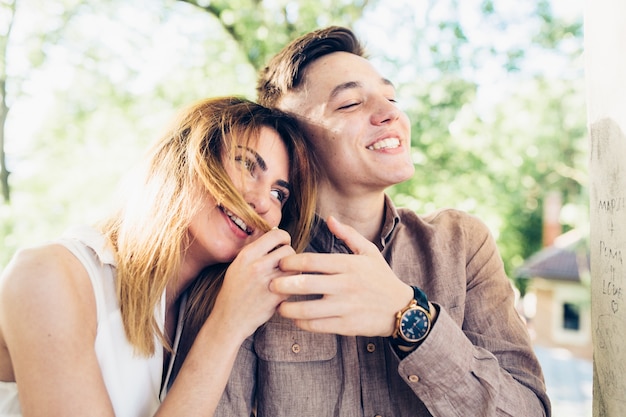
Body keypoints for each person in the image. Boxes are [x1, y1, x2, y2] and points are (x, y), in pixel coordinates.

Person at [173, 26, 552, 416]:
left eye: (391, 97)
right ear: (296, 140)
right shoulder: (247, 267)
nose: (391, 113)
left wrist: (409, 316)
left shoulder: (462, 244)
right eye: (351, 103)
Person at [0, 96, 317, 417]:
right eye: (247, 164)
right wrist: (228, 326)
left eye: (279, 194)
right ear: (186, 158)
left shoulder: (190, 312)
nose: (263, 202)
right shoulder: (47, 276)